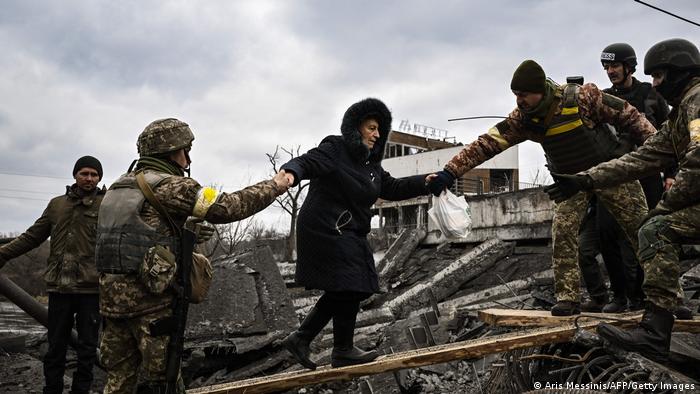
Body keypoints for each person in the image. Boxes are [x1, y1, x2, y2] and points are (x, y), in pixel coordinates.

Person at [427, 60, 656, 316]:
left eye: (523, 95)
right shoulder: (523, 120)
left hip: (610, 174)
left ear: (539, 90)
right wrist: (449, 172)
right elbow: (486, 144)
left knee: (643, 231)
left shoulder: (582, 97)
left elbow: (631, 117)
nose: (519, 101)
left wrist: (660, 154)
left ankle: (666, 296)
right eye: (515, 96)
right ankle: (568, 298)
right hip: (570, 184)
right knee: (563, 235)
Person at [96, 118, 290, 393]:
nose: (188, 157)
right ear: (171, 151)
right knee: (162, 381)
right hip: (151, 306)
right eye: (185, 149)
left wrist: (183, 233)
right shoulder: (173, 186)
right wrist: (274, 185)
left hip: (111, 304)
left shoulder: (119, 186)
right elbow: (227, 207)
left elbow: (135, 234)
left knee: (118, 381)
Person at [544, 38, 700, 362]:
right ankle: (654, 329)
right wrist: (586, 179)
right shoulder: (681, 111)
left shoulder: (696, 101)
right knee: (643, 230)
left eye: (659, 76)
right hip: (662, 190)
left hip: (686, 194)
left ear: (680, 72)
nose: (656, 84)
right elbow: (644, 156)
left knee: (654, 228)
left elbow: (698, 158)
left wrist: (668, 204)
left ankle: (657, 329)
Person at [280, 98, 433, 369]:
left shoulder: (370, 166)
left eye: (379, 130)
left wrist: (425, 182)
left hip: (347, 230)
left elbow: (393, 188)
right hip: (324, 228)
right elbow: (308, 161)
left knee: (353, 285)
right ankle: (337, 347)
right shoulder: (336, 148)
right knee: (350, 282)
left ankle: (315, 342)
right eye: (371, 127)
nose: (376, 134)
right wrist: (291, 173)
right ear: (355, 127)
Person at [0, 156, 105, 394]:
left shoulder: (106, 205)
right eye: (84, 173)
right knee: (55, 345)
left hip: (92, 289)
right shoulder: (56, 205)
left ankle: (81, 390)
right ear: (75, 175)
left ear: (99, 178)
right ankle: (52, 389)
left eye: (94, 175)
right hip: (59, 288)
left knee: (87, 348)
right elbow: (32, 237)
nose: (89, 178)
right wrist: (3, 255)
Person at [579, 43, 671, 313]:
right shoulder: (603, 98)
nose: (610, 71)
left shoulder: (650, 95)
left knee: (648, 236)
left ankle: (644, 296)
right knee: (607, 235)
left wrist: (672, 175)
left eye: (615, 66)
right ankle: (619, 296)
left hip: (648, 176)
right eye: (606, 67)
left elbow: (668, 136)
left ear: (628, 66)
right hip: (614, 178)